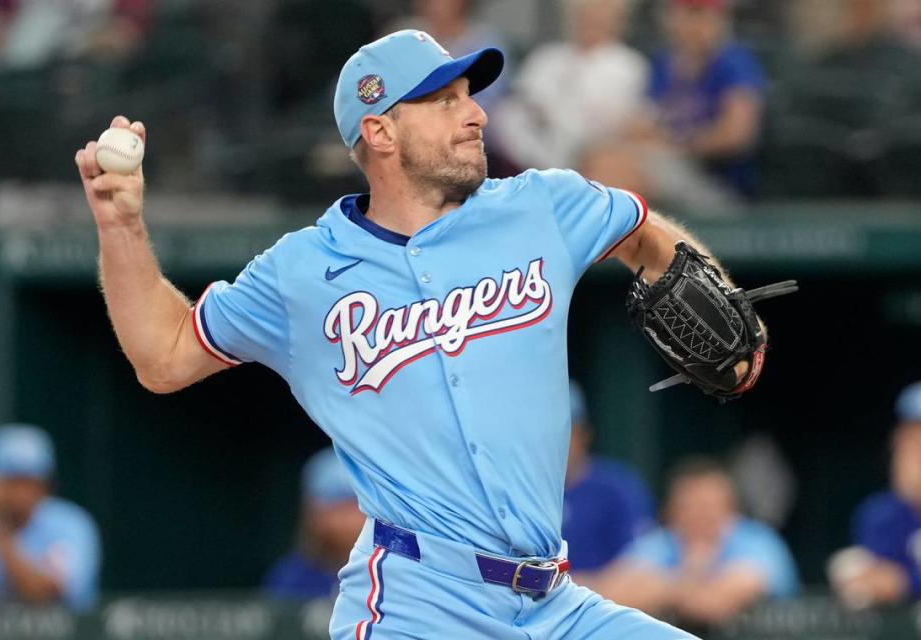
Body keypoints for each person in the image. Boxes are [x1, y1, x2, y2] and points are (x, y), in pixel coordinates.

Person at [75, 27, 769, 639]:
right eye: (443, 101)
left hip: (554, 603)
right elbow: (162, 355)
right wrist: (122, 227)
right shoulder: (302, 272)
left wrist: (721, 296)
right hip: (419, 604)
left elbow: (644, 233)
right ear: (379, 131)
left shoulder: (540, 205)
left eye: (469, 95)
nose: (474, 115)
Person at [596, 458, 799, 631]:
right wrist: (690, 583)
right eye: (689, 506)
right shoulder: (663, 541)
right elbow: (608, 596)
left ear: (731, 508)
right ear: (671, 510)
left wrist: (662, 586)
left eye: (708, 506)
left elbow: (715, 605)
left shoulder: (756, 539)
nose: (699, 515)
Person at [493, 0, 648, 171]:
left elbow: (613, 119)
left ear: (618, 21)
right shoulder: (547, 56)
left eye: (600, 17)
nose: (591, 23)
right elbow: (522, 99)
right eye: (584, 16)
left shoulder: (628, 65)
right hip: (533, 148)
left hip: (590, 154)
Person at [0, 424, 101, 611]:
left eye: (30, 482)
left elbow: (44, 595)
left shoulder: (70, 524)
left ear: (46, 484)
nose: (21, 493)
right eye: (11, 482)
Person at [636, 0, 767, 198]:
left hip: (719, 184)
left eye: (701, 14)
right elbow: (645, 122)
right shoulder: (664, 62)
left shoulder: (734, 62)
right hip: (671, 166)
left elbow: (736, 135)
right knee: (611, 160)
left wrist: (676, 145)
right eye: (687, 13)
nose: (695, 23)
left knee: (624, 170)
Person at [829, 382, 921, 608]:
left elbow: (898, 581)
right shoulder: (880, 514)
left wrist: (907, 582)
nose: (911, 451)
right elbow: (877, 577)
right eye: (908, 439)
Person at [563, 380, 655, 577]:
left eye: (566, 432)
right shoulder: (515, 491)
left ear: (584, 434)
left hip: (600, 602)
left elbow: (641, 564)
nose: (555, 443)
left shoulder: (616, 487)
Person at [264, 447, 366, 601]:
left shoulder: (396, 569)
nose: (348, 520)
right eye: (336, 508)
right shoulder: (293, 577)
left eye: (354, 506)